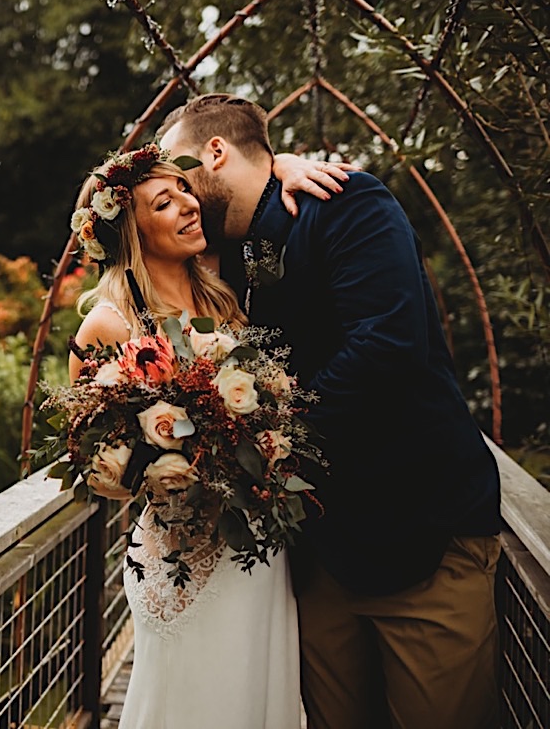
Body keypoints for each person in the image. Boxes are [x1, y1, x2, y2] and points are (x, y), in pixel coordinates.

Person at [158, 93, 502, 729]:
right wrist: (278, 162)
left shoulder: (350, 204)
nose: (177, 196)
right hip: (321, 560)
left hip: (422, 537)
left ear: (214, 152)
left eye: (180, 177)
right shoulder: (220, 260)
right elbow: (128, 210)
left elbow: (387, 343)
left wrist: (272, 439)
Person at [68, 145, 345, 729]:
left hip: (257, 552)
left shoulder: (226, 295)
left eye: (185, 191)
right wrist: (158, 468)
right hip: (180, 558)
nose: (190, 206)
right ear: (131, 233)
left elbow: (248, 170)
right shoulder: (110, 324)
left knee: (255, 694)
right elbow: (87, 455)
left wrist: (288, 162)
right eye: (163, 202)